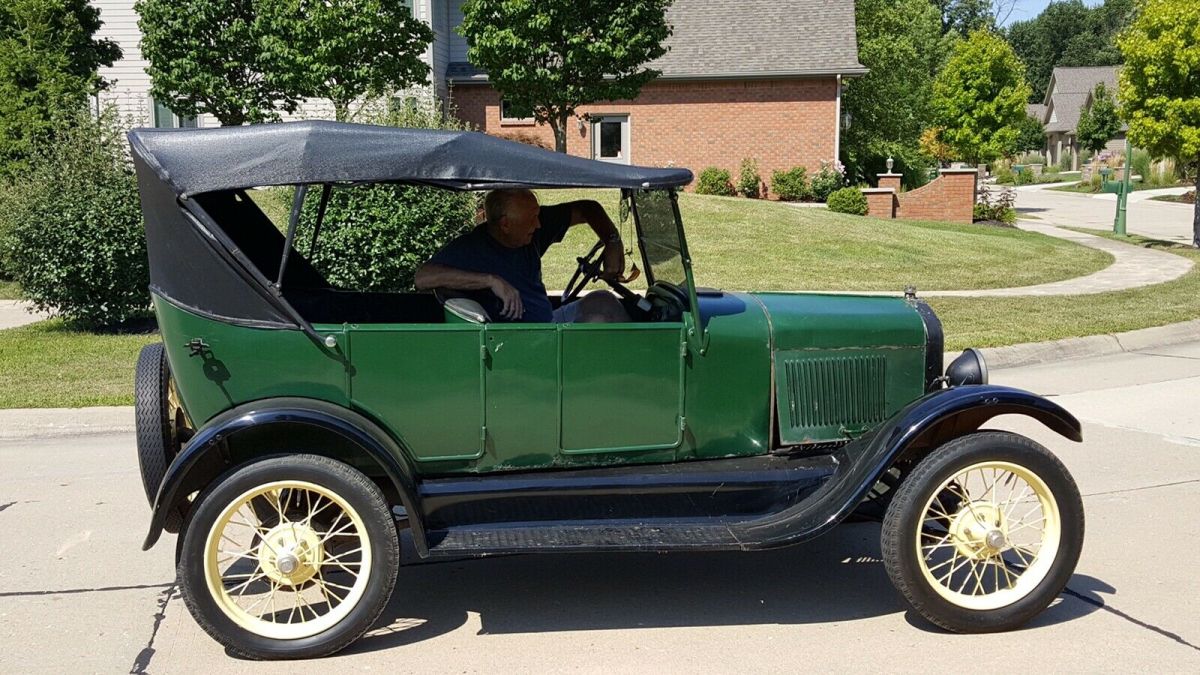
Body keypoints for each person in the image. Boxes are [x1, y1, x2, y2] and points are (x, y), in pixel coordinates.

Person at [414, 189, 630, 322]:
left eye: (538, 216)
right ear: (505, 224)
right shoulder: (472, 247)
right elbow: (422, 278)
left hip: (548, 323)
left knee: (604, 300)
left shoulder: (534, 229)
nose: (538, 224)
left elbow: (587, 209)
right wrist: (491, 281)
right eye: (532, 219)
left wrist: (612, 241)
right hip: (525, 344)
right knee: (598, 323)